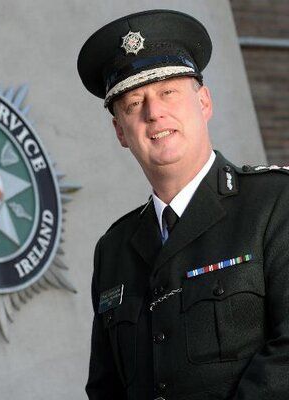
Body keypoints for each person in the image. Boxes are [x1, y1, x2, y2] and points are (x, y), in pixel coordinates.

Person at [77, 9, 289, 400]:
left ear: (204, 102)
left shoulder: (275, 203)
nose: (153, 113)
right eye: (133, 103)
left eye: (168, 92)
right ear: (120, 131)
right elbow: (105, 388)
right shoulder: (113, 250)